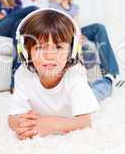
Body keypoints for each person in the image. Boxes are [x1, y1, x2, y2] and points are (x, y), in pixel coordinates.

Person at [8, 8, 99, 140]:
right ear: (26, 51)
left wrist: (52, 124)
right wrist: (22, 127)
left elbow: (85, 122)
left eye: (58, 47)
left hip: (77, 92)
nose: (49, 56)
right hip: (71, 95)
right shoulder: (23, 73)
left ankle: (107, 81)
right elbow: (12, 118)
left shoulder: (75, 73)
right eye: (39, 47)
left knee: (99, 90)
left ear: (71, 50)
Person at [48, 0, 125, 94]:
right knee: (80, 41)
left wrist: (79, 34)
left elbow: (76, 24)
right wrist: (75, 36)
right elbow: (57, 26)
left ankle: (112, 73)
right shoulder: (54, 7)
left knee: (99, 27)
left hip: (75, 31)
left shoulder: (74, 7)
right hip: (63, 33)